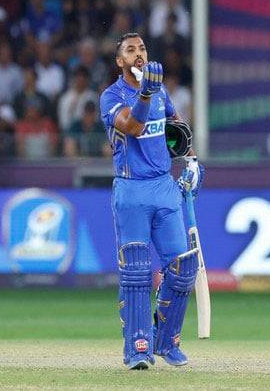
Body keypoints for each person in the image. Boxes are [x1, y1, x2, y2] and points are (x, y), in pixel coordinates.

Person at [99, 32, 204, 370]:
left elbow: (177, 127)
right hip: (131, 189)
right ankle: (137, 348)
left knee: (182, 268)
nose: (138, 54)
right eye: (130, 50)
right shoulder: (110, 96)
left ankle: (167, 341)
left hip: (164, 188)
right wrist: (145, 92)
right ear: (120, 61)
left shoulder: (161, 91)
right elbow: (131, 126)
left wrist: (191, 161)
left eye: (142, 48)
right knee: (137, 272)